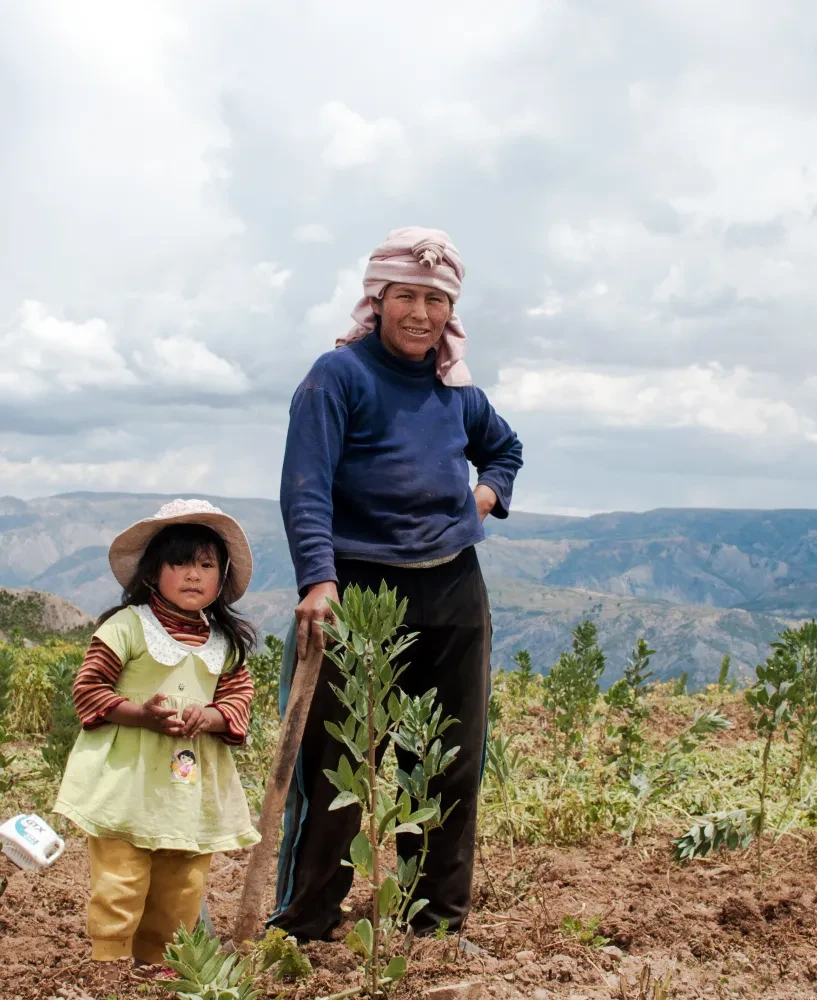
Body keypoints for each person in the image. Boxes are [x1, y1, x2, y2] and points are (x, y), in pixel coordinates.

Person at [271, 226, 523, 943]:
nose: (421, 313)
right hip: (356, 587)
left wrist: (486, 493)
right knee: (336, 762)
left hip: (452, 589)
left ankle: (433, 922)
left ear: (451, 312)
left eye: (435, 300)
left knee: (443, 757)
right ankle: (307, 920)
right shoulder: (337, 376)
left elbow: (504, 448)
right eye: (406, 296)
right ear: (376, 302)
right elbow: (306, 485)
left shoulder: (456, 390)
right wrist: (318, 577)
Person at [53, 499, 260, 980]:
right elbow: (88, 690)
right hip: (127, 778)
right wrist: (141, 715)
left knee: (183, 878)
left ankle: (159, 963)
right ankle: (110, 962)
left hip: (188, 783)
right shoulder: (127, 626)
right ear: (152, 573)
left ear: (221, 577)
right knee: (121, 876)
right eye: (180, 563)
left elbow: (238, 699)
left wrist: (209, 717)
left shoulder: (224, 642)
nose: (194, 575)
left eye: (206, 565)